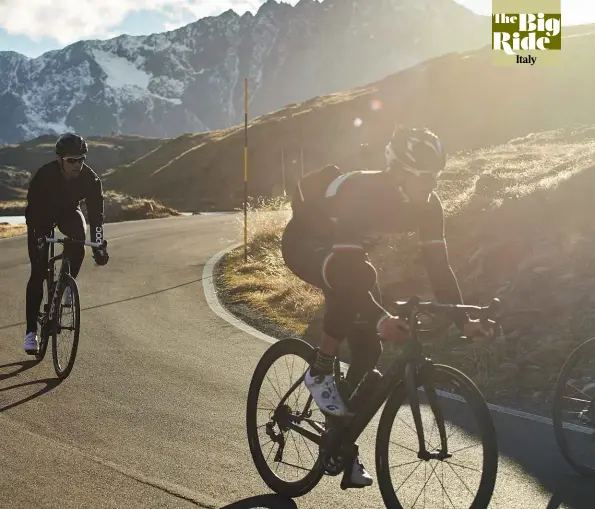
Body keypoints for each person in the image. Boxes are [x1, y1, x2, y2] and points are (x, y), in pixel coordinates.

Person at [281, 125, 495, 489]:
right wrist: (382, 316)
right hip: (305, 244)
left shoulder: (429, 206)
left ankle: (339, 443)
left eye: (434, 177)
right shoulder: (361, 192)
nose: (429, 185)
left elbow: (439, 268)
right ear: (396, 172)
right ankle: (318, 371)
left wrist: (463, 319)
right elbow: (349, 270)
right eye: (420, 177)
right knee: (358, 278)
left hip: (346, 256)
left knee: (368, 348)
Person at [23, 133, 110, 355]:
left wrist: (99, 245)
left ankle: (66, 284)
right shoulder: (45, 175)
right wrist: (37, 235)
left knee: (78, 243)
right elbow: (31, 209)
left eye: (81, 159)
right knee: (38, 271)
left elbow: (96, 215)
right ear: (60, 159)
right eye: (72, 160)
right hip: (41, 215)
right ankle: (31, 332)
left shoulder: (90, 179)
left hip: (69, 213)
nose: (77, 165)